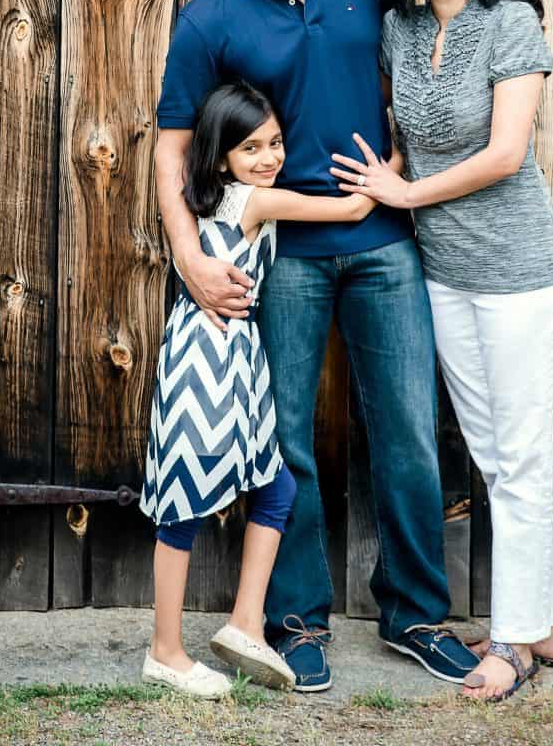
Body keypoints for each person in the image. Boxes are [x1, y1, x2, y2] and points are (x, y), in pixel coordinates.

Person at [152, 0, 479, 692]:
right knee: (283, 443)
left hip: (382, 244)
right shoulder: (210, 13)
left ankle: (415, 614)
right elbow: (171, 147)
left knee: (408, 432)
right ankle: (295, 622)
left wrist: (403, 166)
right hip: (280, 256)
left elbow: (414, 64)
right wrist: (188, 254)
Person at [330, 0, 553, 701]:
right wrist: (381, 182)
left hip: (521, 274)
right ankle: (550, 622)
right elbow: (411, 147)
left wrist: (404, 197)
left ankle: (512, 643)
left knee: (518, 459)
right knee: (494, 456)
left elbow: (507, 153)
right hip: (446, 272)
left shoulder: (511, 22)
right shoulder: (399, 28)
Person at [141, 80, 382, 698]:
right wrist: (399, 159)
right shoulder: (252, 201)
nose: (270, 158)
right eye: (251, 148)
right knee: (186, 501)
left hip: (233, 356)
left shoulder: (209, 196)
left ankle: (246, 622)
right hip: (208, 358)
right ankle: (165, 651)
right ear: (222, 157)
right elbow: (354, 209)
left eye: (275, 143)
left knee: (274, 486)